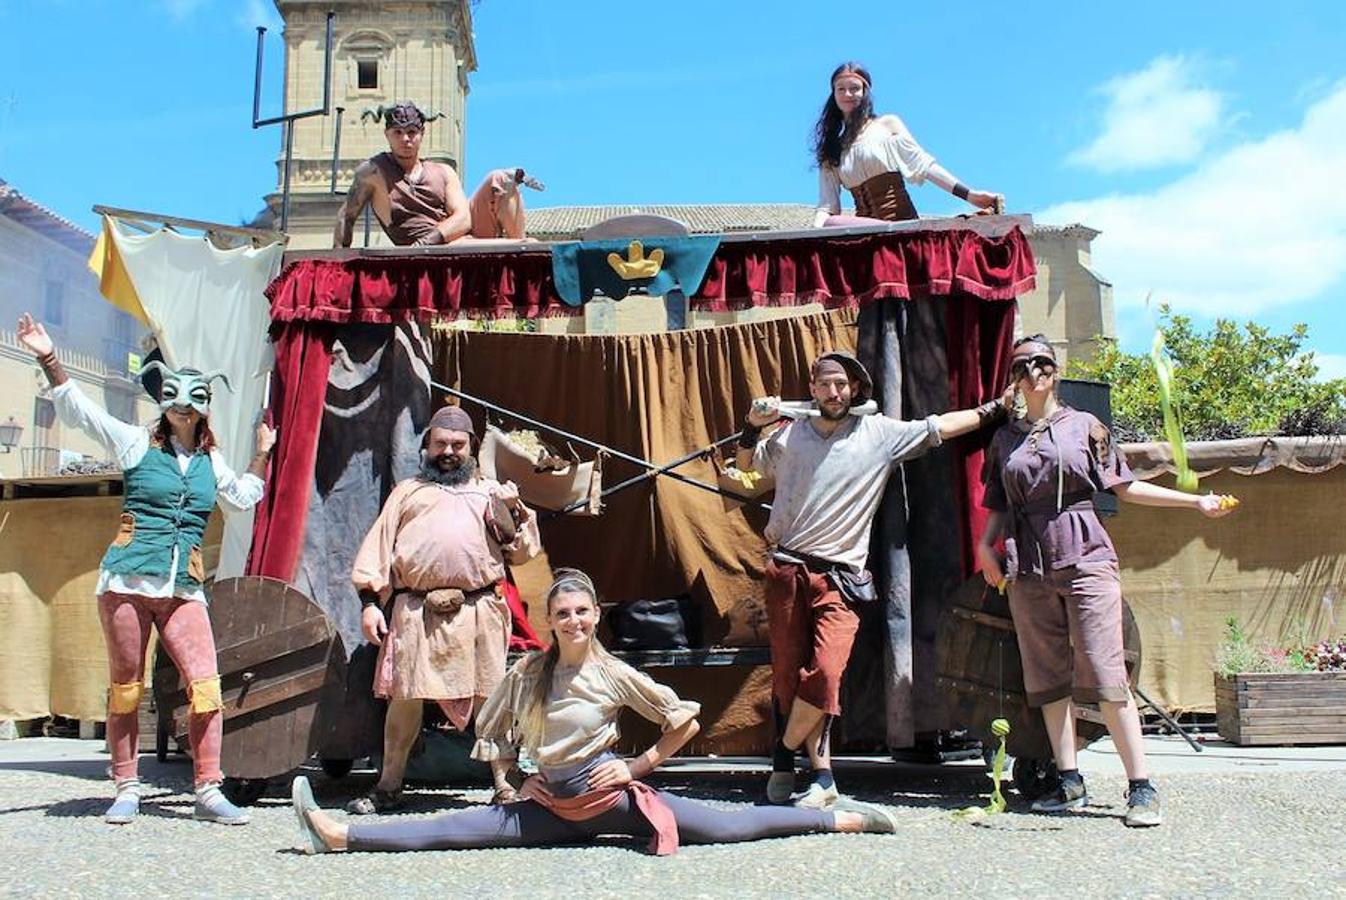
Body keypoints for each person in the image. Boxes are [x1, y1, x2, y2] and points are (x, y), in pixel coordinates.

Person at [290, 569, 901, 854]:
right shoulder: (528, 672)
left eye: (583, 611)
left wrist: (637, 768)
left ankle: (840, 822)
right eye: (563, 613)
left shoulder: (614, 672)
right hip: (549, 806)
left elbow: (682, 718)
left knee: (728, 825)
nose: (574, 621)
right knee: (452, 832)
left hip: (611, 800)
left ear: (595, 617)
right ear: (552, 621)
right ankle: (341, 836)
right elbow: (495, 731)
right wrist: (511, 779)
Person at [16, 313, 275, 826]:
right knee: (126, 686)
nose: (183, 404)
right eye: (176, 394)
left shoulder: (211, 462)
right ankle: (127, 785)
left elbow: (244, 497)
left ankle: (208, 789)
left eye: (194, 396)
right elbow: (82, 413)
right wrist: (49, 359)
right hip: (127, 581)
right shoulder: (137, 442)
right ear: (164, 400)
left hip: (183, 587)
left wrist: (262, 455)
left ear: (204, 405)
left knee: (205, 685)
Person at [975, 335, 1238, 827]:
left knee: (1104, 670)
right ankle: (1069, 780)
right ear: (1012, 375)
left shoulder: (1084, 427)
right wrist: (983, 546)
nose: (1034, 372)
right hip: (1027, 565)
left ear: (1056, 371)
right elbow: (997, 502)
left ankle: (1141, 787)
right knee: (1047, 675)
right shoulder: (1005, 439)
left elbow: (1123, 484)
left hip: (1085, 554)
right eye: (1023, 365)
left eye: (1043, 363)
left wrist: (1195, 503)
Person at [736, 351, 1010, 808]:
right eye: (825, 384)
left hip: (840, 576)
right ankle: (822, 779)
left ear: (856, 388)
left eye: (842, 384)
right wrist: (752, 425)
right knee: (788, 677)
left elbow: (938, 427)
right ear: (813, 387)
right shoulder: (789, 435)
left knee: (825, 674)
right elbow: (747, 465)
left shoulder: (879, 435)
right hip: (786, 568)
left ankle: (783, 755)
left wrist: (995, 409)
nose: (833, 392)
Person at [347, 403, 541, 814]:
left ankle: (506, 784)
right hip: (416, 613)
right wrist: (369, 603)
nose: (448, 451)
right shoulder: (407, 493)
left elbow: (522, 553)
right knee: (405, 699)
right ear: (427, 447)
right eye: (440, 444)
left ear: (470, 448)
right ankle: (388, 785)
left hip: (478, 611)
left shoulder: (492, 493)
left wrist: (516, 510)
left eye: (457, 444)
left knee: (492, 699)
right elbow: (377, 550)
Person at [811, 61, 1002, 228]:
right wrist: (810, 233)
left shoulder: (887, 125)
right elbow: (828, 207)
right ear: (833, 94)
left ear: (865, 92)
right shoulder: (832, 149)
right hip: (866, 231)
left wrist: (970, 195)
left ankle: (889, 230)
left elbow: (924, 166)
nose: (848, 94)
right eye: (841, 89)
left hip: (899, 223)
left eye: (854, 88)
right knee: (830, 222)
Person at [333, 101, 542, 247]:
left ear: (421, 134)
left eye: (412, 132)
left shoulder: (443, 172)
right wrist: (336, 264)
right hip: (438, 248)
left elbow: (464, 219)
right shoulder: (371, 171)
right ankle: (521, 247)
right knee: (527, 244)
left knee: (502, 177)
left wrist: (426, 242)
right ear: (387, 134)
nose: (406, 139)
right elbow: (346, 216)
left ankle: (520, 254)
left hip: (453, 238)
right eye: (398, 132)